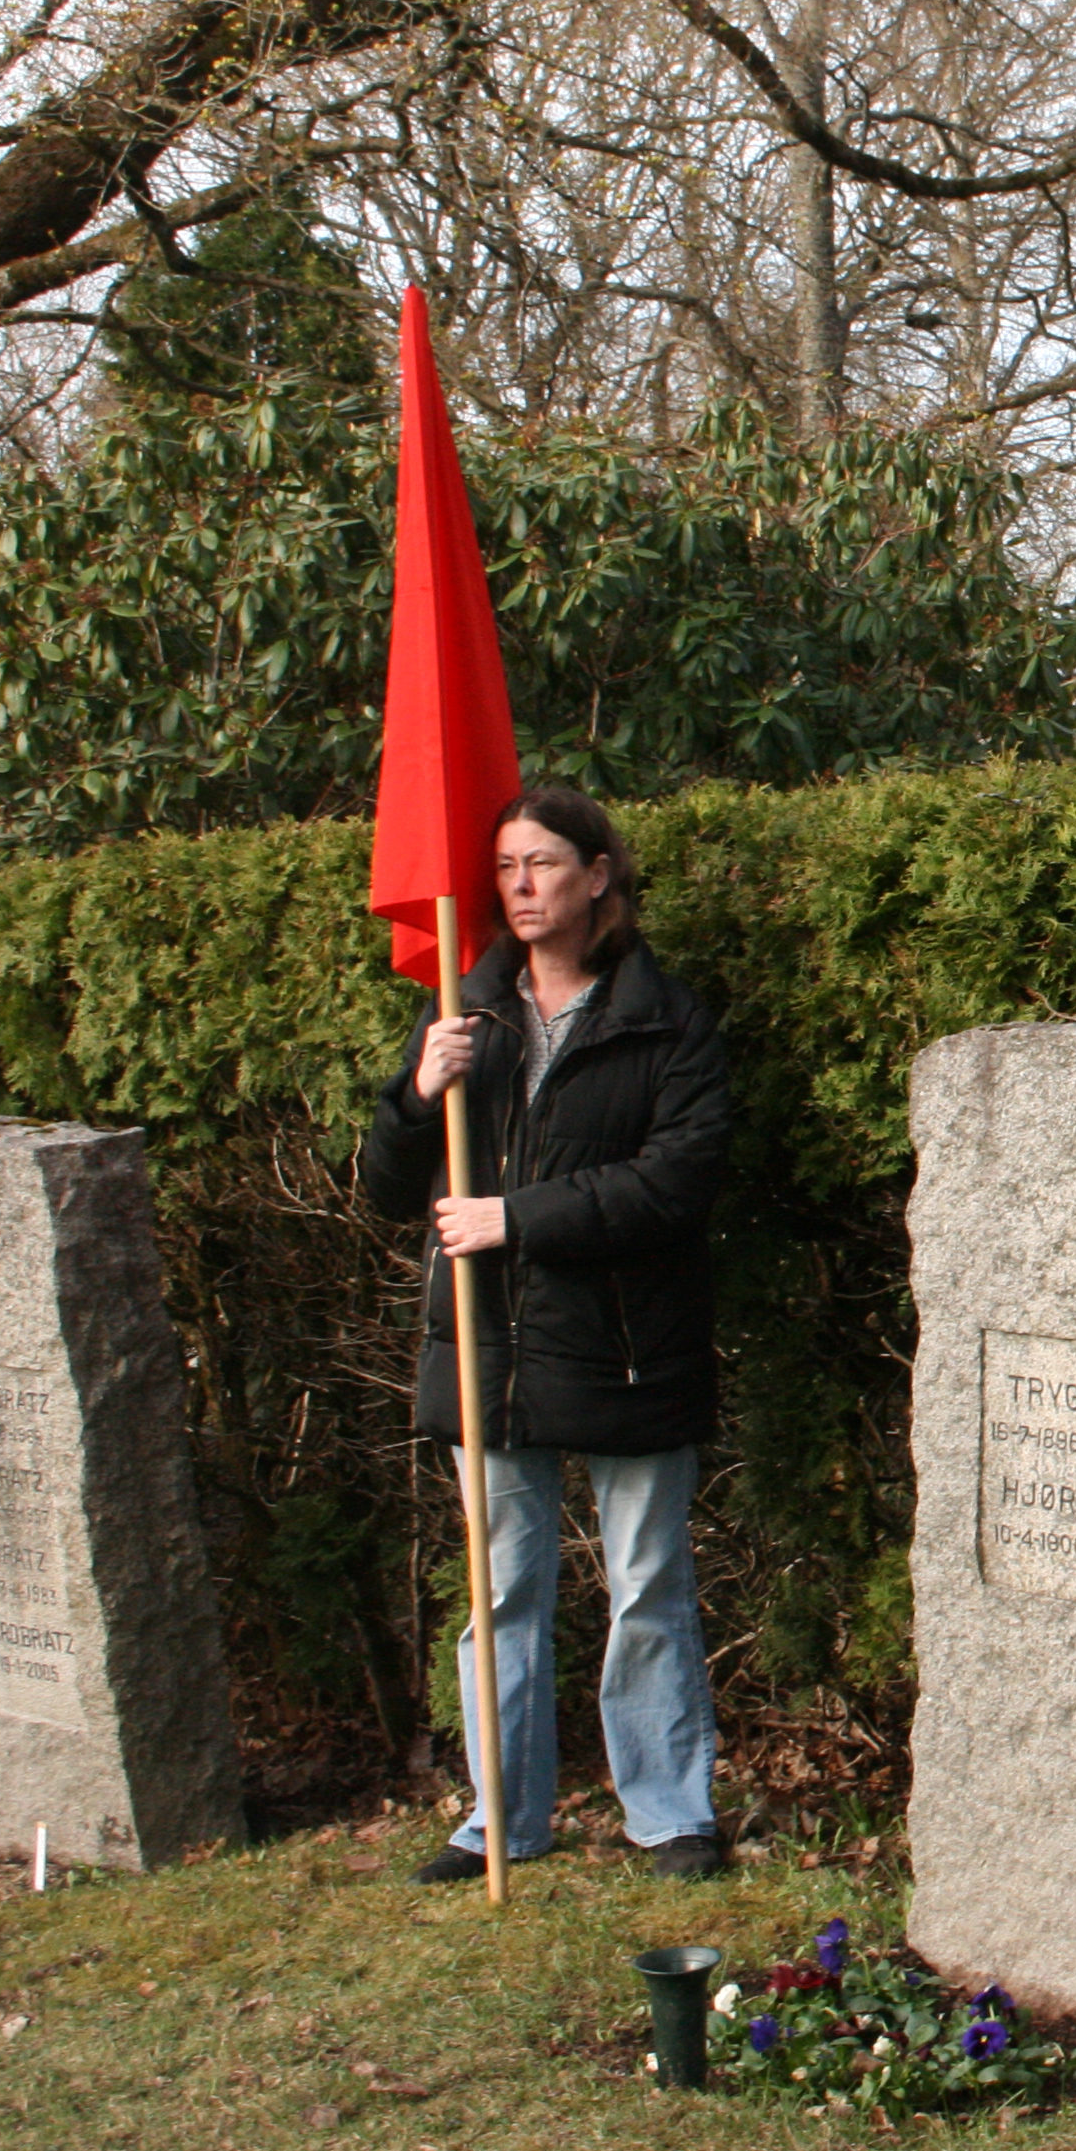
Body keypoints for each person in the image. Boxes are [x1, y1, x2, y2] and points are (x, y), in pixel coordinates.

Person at [363, 785, 738, 1884]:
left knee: (647, 1587)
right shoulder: (461, 1018)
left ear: (599, 875)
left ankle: (669, 1815)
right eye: (506, 869)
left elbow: (676, 1182)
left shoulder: (668, 1021)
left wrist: (514, 1219)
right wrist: (414, 1095)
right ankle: (499, 1822)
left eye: (543, 865)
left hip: (626, 1351)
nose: (520, 888)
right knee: (501, 1596)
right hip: (490, 1352)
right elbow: (390, 1186)